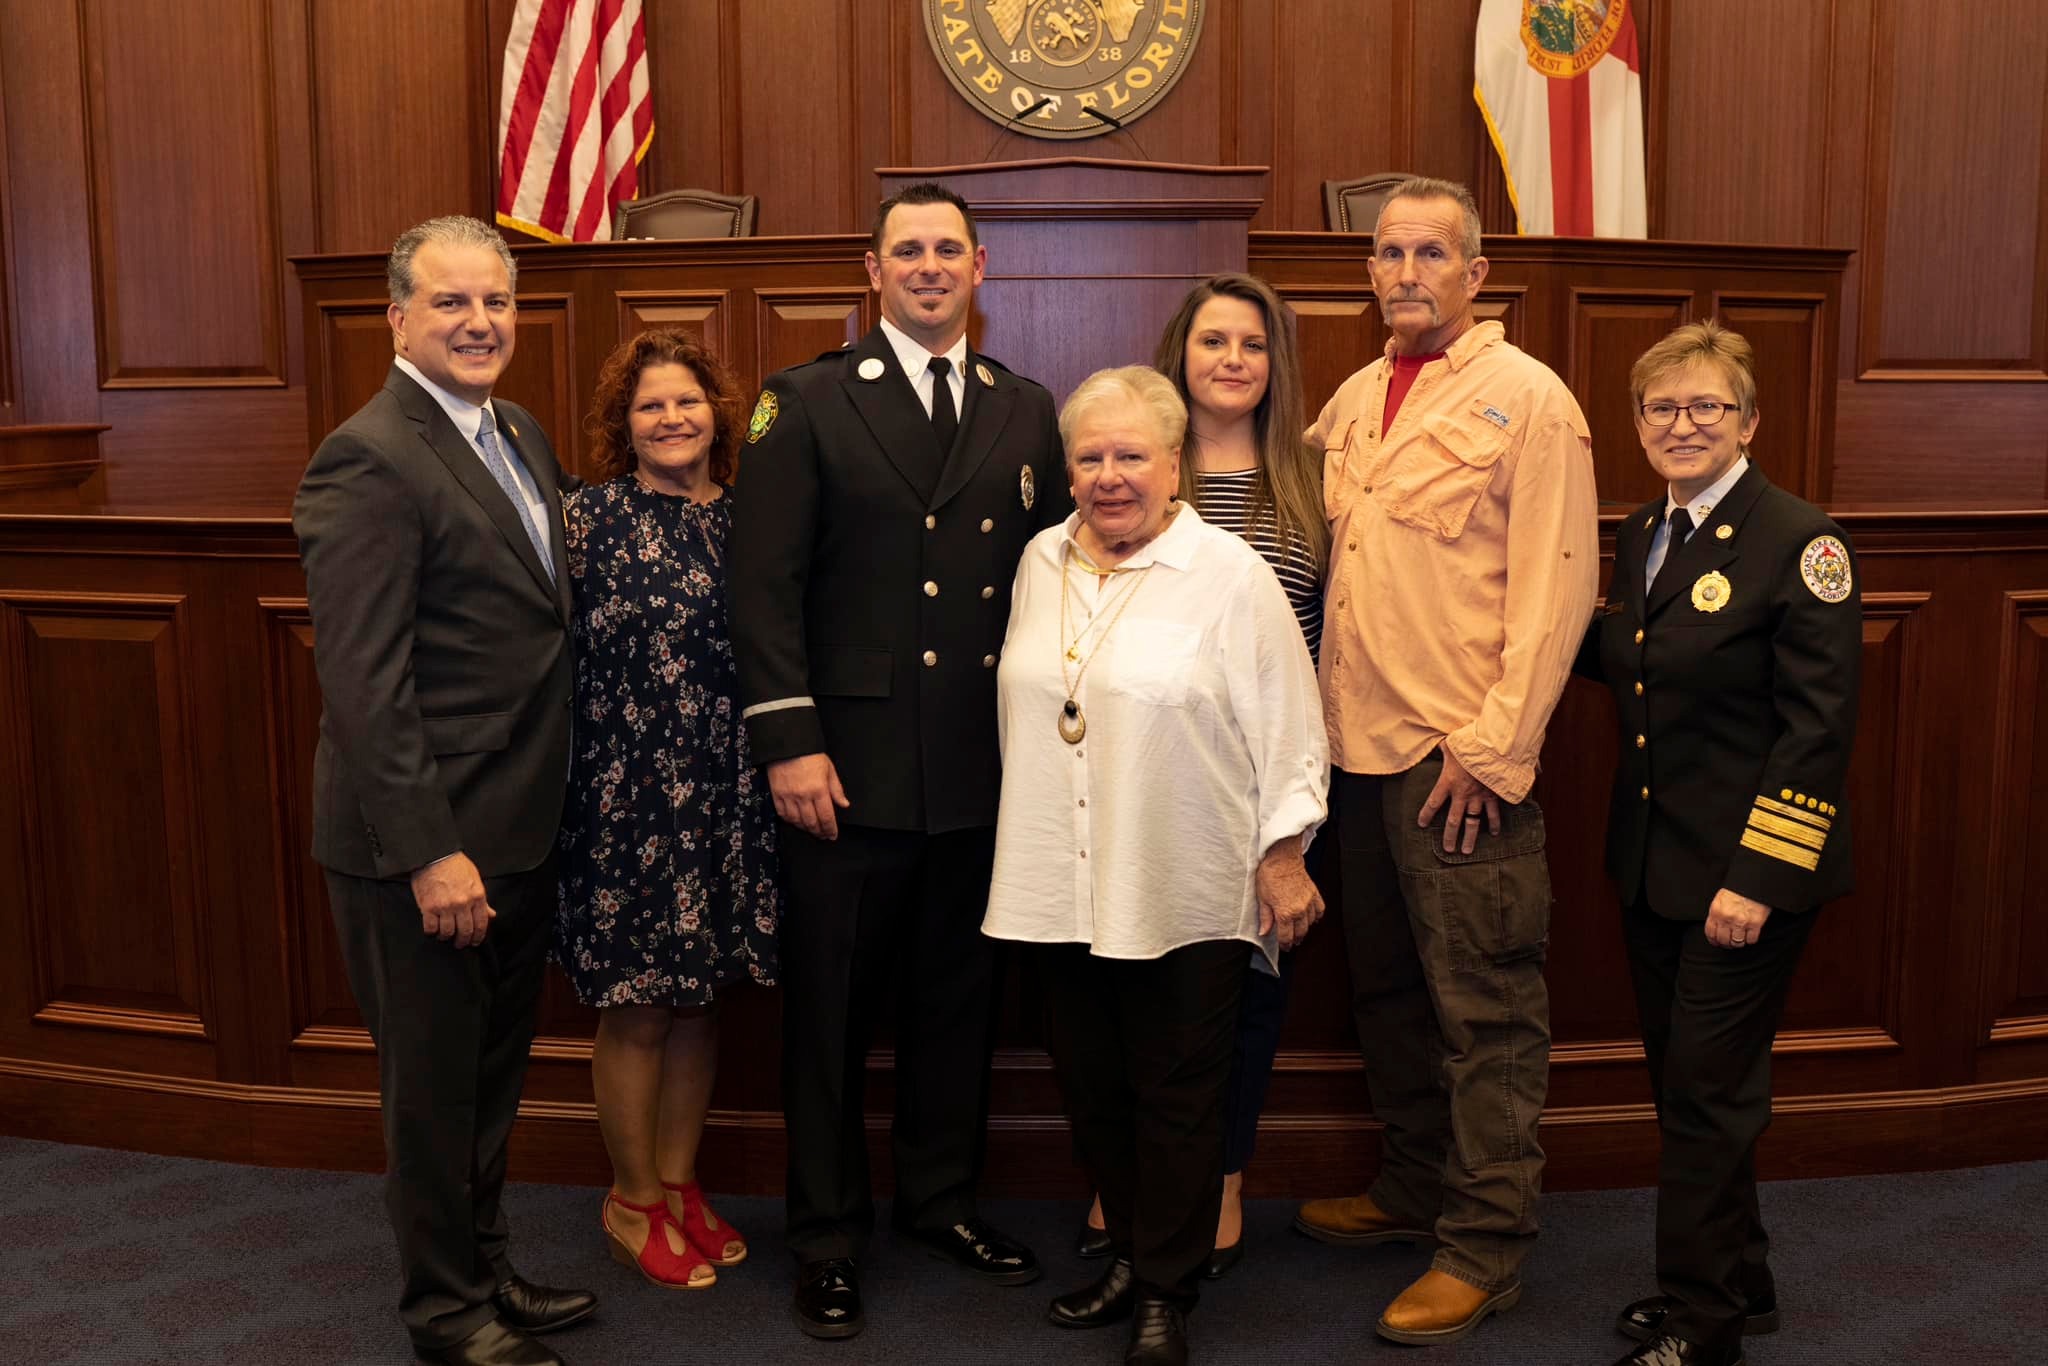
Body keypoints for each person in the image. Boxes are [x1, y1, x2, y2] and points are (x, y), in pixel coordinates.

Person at [727, 181, 1069, 1341]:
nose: (928, 267)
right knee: (826, 1016)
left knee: (955, 1004)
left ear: (981, 270)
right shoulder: (805, 403)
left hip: (979, 766)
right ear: (870, 275)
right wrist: (791, 739)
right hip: (846, 767)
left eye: (947, 251)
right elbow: (761, 587)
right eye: (905, 251)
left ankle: (937, 1201)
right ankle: (823, 1236)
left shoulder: (1024, 411)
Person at [1291, 176, 1598, 1346]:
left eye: (1430, 253)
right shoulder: (1358, 397)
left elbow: (1558, 586)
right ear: (1367, 272)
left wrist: (1493, 748)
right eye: (1386, 252)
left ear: (1475, 276)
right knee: (1386, 994)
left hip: (1454, 762)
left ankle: (1484, 1242)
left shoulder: (1529, 399)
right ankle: (1413, 1189)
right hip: (1353, 755)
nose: (1404, 271)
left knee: (1484, 1007)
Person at [293, 215, 595, 1366]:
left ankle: (487, 1268)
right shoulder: (366, 456)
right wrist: (432, 851)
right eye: (452, 303)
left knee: (487, 1083)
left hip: (517, 829)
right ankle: (443, 1311)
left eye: (497, 303)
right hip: (422, 850)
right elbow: (366, 686)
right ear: (397, 318)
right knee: (430, 1100)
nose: (480, 323)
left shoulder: (511, 429)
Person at [985, 365, 1328, 1366]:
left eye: (1130, 455)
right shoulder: (1039, 559)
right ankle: (1131, 1257)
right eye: (1087, 457)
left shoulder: (1228, 572)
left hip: (1185, 878)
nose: (1107, 476)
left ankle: (1165, 1293)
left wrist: (1282, 855)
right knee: (1092, 1088)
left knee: (1178, 1095)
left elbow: (1291, 725)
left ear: (1173, 463)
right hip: (1057, 879)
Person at [1576, 321, 1860, 1366]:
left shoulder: (1800, 540)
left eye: (1704, 407)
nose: (1680, 423)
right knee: (1688, 1087)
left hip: (1742, 882)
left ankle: (1701, 1326)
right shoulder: (1643, 532)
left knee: (1703, 1097)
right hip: (1654, 865)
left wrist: (1756, 876)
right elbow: (1634, 663)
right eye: (1659, 408)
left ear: (1746, 421)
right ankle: (1742, 1277)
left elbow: (1817, 729)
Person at [1072, 274, 1329, 1276]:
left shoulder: (1308, 481)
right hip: (1148, 784)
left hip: (1268, 785)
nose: (1231, 359)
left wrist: (1295, 820)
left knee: (1248, 998)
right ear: (1179, 353)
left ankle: (1219, 1177)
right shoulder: (1129, 469)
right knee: (1135, 987)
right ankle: (1131, 1175)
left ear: (1274, 367)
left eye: (1251, 345)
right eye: (1212, 340)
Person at [554, 329, 780, 1292]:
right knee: (640, 1007)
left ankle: (680, 1185)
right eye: (651, 404)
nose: (672, 417)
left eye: (687, 401)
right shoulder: (584, 520)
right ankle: (631, 1196)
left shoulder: (752, 521)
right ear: (624, 422)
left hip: (727, 796)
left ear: (717, 414)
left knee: (701, 1004)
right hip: (625, 799)